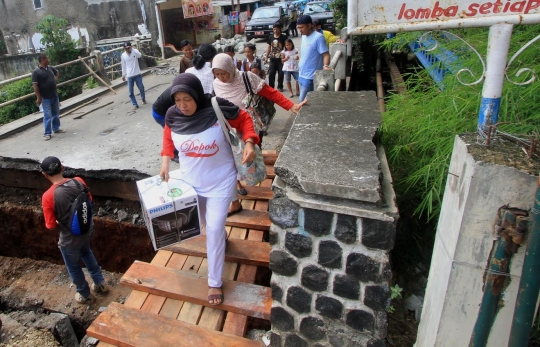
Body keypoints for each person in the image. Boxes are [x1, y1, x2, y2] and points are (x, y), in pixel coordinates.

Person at [159, 74, 259, 305]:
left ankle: (214, 282)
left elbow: (244, 119)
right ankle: (220, 236)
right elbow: (167, 136)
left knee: (213, 230)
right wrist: (165, 161)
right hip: (191, 183)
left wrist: (250, 142)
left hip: (221, 182)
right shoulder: (173, 115)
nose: (182, 105)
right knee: (207, 227)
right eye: (177, 100)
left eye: (187, 99)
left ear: (196, 95)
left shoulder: (216, 108)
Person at [212, 53, 307, 214]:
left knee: (250, 157)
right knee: (230, 159)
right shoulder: (216, 84)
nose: (221, 77)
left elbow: (270, 92)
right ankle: (237, 185)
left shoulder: (246, 77)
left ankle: (254, 177)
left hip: (251, 126)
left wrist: (291, 106)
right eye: (217, 74)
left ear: (230, 68)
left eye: (224, 73)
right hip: (229, 131)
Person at [40, 156, 109, 304]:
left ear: (45, 175)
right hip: (87, 229)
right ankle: (100, 283)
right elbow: (89, 200)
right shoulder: (79, 181)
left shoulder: (48, 196)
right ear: (62, 168)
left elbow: (50, 225)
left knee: (74, 267)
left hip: (70, 239)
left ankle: (84, 294)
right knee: (86, 252)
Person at [296, 15, 331, 102]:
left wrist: (326, 65)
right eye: (298, 28)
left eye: (301, 27)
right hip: (301, 74)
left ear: (309, 25)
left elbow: (326, 54)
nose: (300, 30)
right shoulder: (304, 36)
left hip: (310, 77)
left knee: (302, 102)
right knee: (304, 102)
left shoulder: (318, 37)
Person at [32, 54, 65, 141]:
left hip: (54, 94)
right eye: (47, 58)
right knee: (47, 115)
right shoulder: (36, 72)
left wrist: (55, 78)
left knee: (56, 113)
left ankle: (56, 128)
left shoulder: (50, 68)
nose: (48, 59)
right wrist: (38, 97)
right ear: (42, 60)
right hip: (45, 97)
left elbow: (57, 72)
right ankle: (47, 133)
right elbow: (35, 85)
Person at [121, 42, 146, 110]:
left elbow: (139, 55)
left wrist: (133, 49)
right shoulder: (123, 55)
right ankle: (135, 104)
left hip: (137, 73)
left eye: (128, 48)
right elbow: (123, 66)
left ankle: (143, 98)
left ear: (130, 47)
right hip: (129, 76)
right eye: (126, 48)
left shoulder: (135, 52)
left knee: (141, 88)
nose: (128, 49)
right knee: (130, 92)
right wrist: (123, 75)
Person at [264, 22, 288, 92]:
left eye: (277, 29)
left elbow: (286, 47)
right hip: (273, 58)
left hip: (281, 59)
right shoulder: (271, 37)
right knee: (271, 73)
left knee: (281, 73)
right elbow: (269, 47)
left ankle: (280, 86)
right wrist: (266, 57)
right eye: (274, 29)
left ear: (280, 29)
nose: (275, 31)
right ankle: (271, 87)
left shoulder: (284, 37)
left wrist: (286, 57)